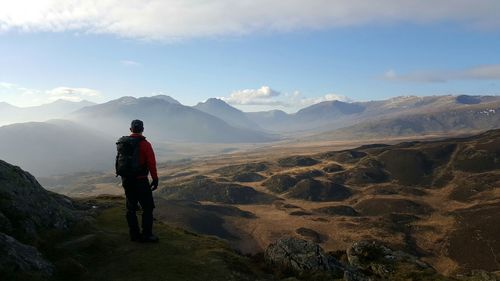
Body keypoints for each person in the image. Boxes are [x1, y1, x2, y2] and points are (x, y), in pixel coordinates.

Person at [120, 119, 159, 242]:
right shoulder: (145, 144)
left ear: (131, 129)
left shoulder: (123, 143)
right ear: (142, 129)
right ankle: (147, 235)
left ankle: (134, 235)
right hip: (141, 181)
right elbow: (151, 163)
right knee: (147, 208)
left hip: (127, 181)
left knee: (131, 208)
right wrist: (155, 178)